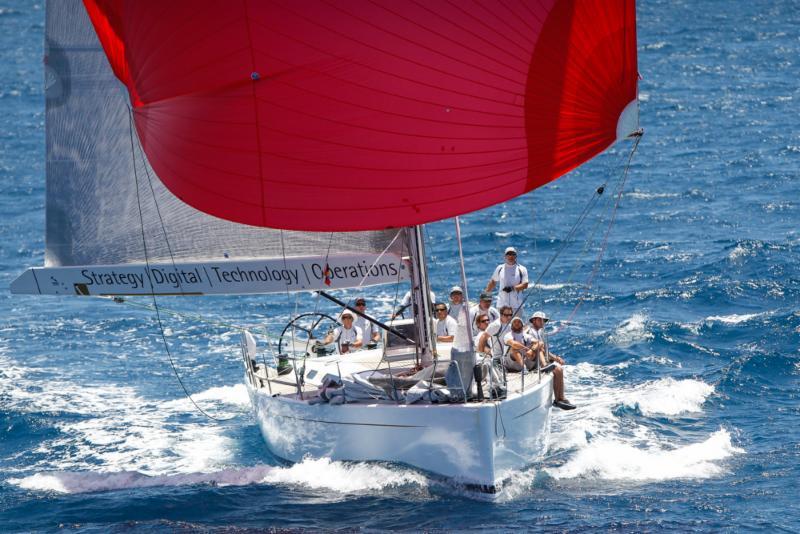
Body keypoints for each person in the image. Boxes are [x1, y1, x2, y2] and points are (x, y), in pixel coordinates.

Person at [528, 311, 575, 410]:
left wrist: (556, 358)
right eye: (540, 320)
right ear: (534, 320)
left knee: (559, 369)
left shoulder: (540, 332)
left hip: (539, 359)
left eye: (543, 320)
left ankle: (559, 399)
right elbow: (536, 348)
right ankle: (545, 366)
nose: (542, 322)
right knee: (540, 347)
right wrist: (554, 358)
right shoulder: (530, 331)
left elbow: (545, 351)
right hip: (530, 360)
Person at [484, 246, 529, 317]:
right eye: (508, 254)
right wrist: (485, 296)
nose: (511, 256)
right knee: (501, 326)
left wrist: (512, 288)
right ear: (505, 256)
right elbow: (493, 282)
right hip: (501, 305)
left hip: (516, 305)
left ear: (516, 256)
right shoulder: (500, 268)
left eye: (513, 254)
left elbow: (525, 285)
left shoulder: (522, 269)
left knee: (515, 327)